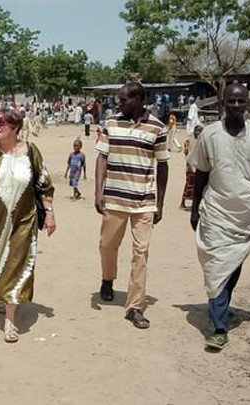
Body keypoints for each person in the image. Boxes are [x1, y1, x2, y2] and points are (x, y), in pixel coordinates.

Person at [188, 84, 250, 351]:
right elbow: (201, 175)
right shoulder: (210, 134)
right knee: (216, 266)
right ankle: (219, 327)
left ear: (248, 104)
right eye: (232, 101)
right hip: (216, 212)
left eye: (241, 102)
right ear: (223, 102)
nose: (237, 106)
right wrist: (195, 210)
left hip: (247, 215)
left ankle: (220, 306)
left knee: (234, 263)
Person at [0, 109, 55, 343]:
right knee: (0, 261)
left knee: (17, 262)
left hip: (24, 219)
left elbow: (44, 183)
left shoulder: (31, 152)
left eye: (0, 122)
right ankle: (5, 296)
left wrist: (49, 213)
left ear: (15, 127)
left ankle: (10, 318)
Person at [95, 82, 169, 329]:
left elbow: (163, 165)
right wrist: (98, 191)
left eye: (124, 100)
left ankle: (134, 306)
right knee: (107, 245)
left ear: (138, 99)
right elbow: (102, 157)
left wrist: (160, 202)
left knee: (141, 253)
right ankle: (108, 279)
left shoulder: (157, 127)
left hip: (144, 202)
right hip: (114, 198)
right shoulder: (112, 123)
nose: (119, 104)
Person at [180, 125, 203, 209]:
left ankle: (195, 204)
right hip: (190, 166)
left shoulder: (202, 141)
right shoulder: (189, 141)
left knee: (198, 186)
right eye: (197, 131)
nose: (198, 133)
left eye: (200, 131)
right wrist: (189, 165)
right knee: (189, 184)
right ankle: (183, 202)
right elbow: (187, 154)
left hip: (199, 166)